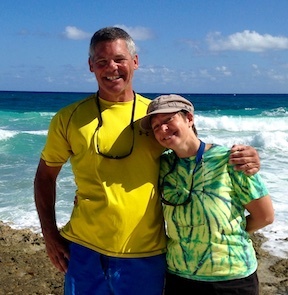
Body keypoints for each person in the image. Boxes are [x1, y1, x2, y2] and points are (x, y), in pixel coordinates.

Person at [34, 26, 261, 295]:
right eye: (102, 61)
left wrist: (246, 158)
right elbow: (45, 177)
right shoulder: (68, 117)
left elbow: (196, 153)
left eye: (119, 59)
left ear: (135, 62)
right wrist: (50, 235)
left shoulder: (155, 118)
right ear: (91, 66)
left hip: (145, 254)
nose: (112, 68)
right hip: (85, 251)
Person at [140, 94, 274, 295]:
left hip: (232, 278)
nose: (162, 129)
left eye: (168, 120)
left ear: (189, 118)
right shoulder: (162, 165)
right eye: (156, 126)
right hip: (179, 277)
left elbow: (265, 216)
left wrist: (227, 233)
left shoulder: (229, 160)